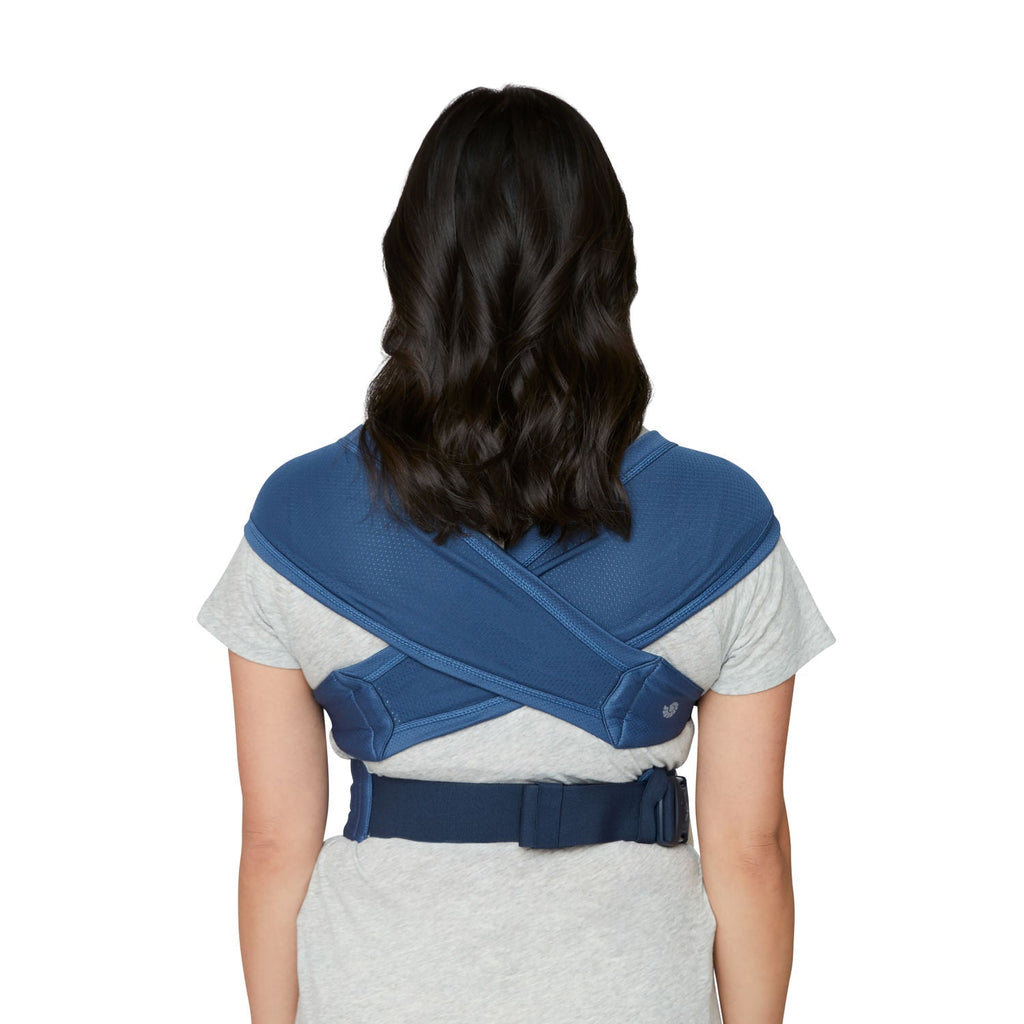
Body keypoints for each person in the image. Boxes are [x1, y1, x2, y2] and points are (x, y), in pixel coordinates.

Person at [198, 84, 835, 1024]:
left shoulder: (299, 520)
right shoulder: (721, 523)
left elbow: (271, 844)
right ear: (610, 268)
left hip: (383, 990)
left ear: (412, 263)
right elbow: (751, 850)